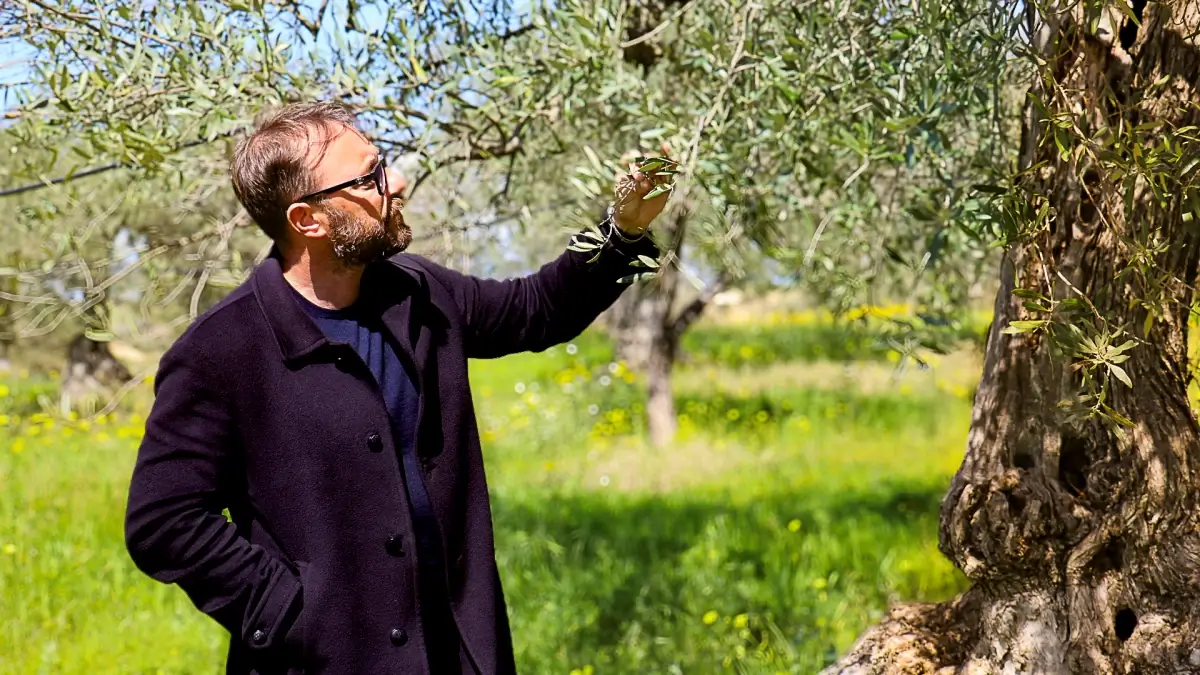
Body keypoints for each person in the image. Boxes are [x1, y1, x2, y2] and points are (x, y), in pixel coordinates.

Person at [123, 101, 671, 675]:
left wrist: (622, 232)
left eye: (382, 164)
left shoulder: (417, 291)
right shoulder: (220, 350)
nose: (399, 182)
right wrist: (289, 612)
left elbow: (534, 310)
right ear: (308, 220)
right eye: (370, 177)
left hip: (457, 651)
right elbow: (164, 519)